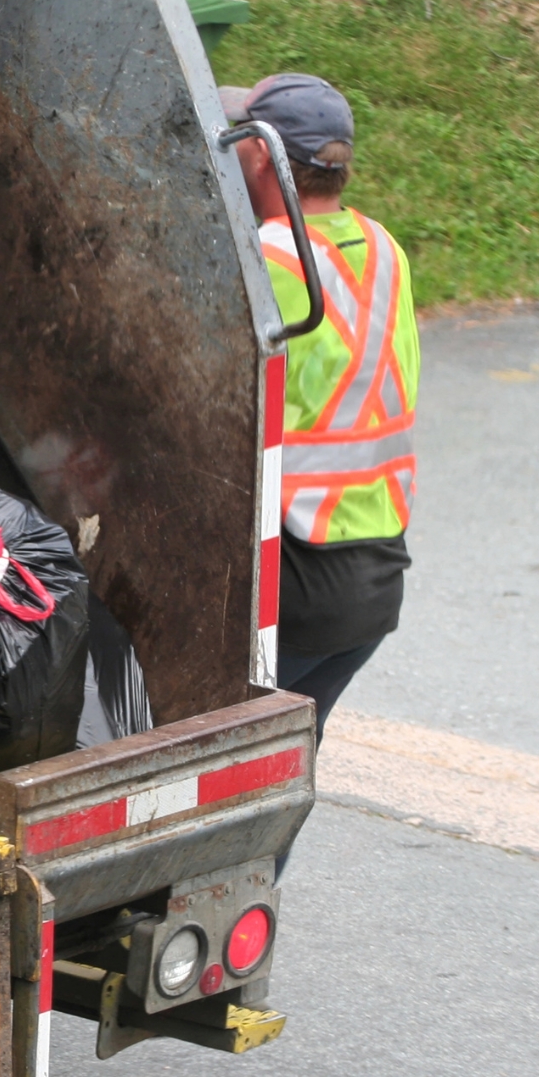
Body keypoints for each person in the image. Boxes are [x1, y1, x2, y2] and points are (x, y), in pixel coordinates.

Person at [222, 74, 420, 743]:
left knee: (227, 773)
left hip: (296, 577)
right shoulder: (384, 248)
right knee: (278, 768)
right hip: (375, 578)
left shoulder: (267, 258)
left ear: (259, 154)